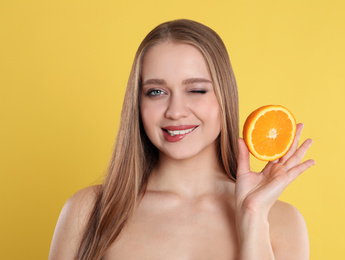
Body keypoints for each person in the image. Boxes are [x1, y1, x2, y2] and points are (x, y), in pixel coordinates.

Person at [49, 19, 315, 260]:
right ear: (137, 103)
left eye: (197, 90)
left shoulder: (281, 221)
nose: (175, 111)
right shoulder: (89, 212)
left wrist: (253, 217)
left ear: (225, 97)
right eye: (156, 92)